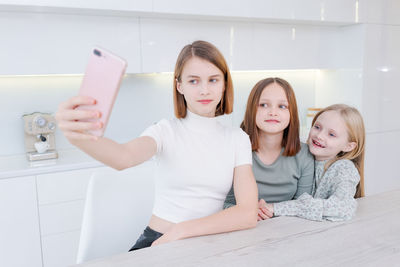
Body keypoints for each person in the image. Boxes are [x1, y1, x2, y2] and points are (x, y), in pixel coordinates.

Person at [55, 40, 258, 250]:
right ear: (180, 86)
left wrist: (182, 230)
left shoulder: (237, 138)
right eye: (194, 81)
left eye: (213, 80)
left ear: (224, 84)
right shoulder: (164, 131)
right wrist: (77, 136)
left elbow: (247, 214)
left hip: (206, 243)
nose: (204, 90)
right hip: (159, 242)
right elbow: (123, 157)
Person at [223, 77, 314, 221]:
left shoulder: (305, 155)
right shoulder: (233, 149)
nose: (273, 112)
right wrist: (251, 212)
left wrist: (272, 210)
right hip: (238, 229)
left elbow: (303, 206)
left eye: (282, 106)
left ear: (292, 113)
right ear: (252, 109)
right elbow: (222, 203)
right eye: (264, 105)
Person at [264, 104, 365, 221]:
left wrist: (276, 208)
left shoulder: (344, 169)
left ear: (348, 146)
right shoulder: (302, 156)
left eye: (331, 134)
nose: (319, 135)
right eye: (317, 127)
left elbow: (341, 207)